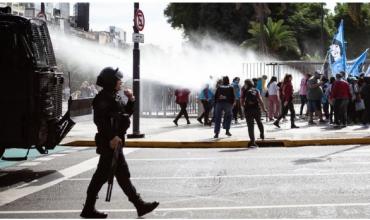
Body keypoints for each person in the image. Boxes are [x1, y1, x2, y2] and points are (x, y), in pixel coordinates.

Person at [80, 67, 159, 219]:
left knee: (120, 175)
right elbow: (100, 121)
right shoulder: (103, 98)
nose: (120, 82)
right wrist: (111, 137)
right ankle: (90, 208)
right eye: (118, 79)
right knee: (103, 176)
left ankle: (139, 205)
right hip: (109, 144)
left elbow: (125, 114)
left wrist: (131, 100)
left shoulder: (114, 96)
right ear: (111, 81)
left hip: (116, 143)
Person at [241, 79, 267, 148]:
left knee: (250, 126)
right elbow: (260, 100)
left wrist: (244, 107)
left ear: (246, 84)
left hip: (248, 110)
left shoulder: (244, 91)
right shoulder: (256, 90)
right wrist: (264, 109)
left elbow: (242, 101)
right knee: (259, 122)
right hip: (256, 109)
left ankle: (253, 141)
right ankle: (262, 134)